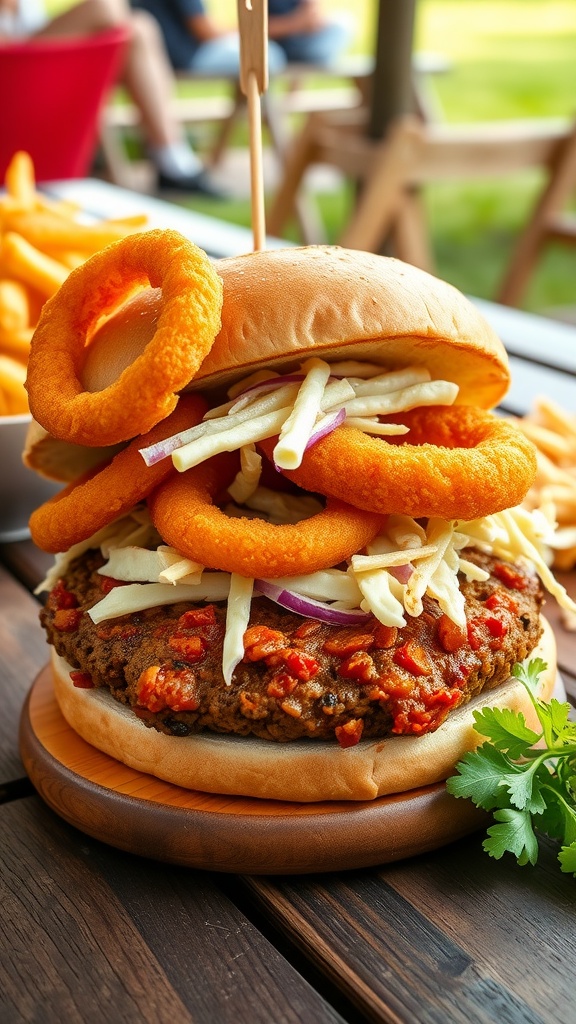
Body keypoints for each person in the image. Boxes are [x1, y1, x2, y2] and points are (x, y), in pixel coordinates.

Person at [0, 0, 226, 196]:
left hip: (34, 68)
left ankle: (172, 157)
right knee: (105, 6)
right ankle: (172, 164)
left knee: (140, 27)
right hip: (11, 73)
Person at [129, 0, 351, 75]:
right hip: (186, 54)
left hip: (192, 47)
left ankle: (303, 52)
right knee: (267, 56)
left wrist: (305, 20)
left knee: (343, 25)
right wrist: (295, 25)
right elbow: (207, 33)